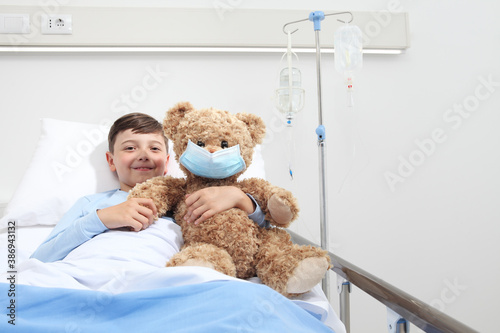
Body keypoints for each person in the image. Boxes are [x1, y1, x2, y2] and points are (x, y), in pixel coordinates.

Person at [30, 112, 265, 263]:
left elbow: (254, 236)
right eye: (130, 148)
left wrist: (239, 197)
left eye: (154, 149)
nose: (143, 155)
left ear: (168, 161)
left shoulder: (188, 200)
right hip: (81, 276)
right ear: (111, 161)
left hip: (152, 282)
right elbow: (40, 258)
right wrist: (101, 219)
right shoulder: (91, 205)